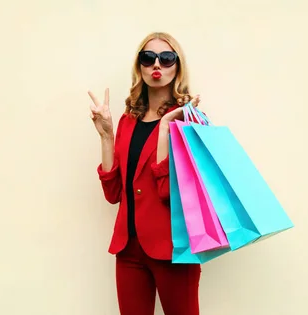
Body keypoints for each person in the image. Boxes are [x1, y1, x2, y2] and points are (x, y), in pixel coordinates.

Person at [87, 32, 202, 315]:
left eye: (167, 58)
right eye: (148, 58)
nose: (156, 65)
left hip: (173, 250)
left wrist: (164, 127)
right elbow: (114, 194)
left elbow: (169, 192)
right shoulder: (128, 120)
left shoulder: (189, 120)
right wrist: (107, 137)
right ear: (140, 67)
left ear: (177, 67)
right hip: (128, 250)